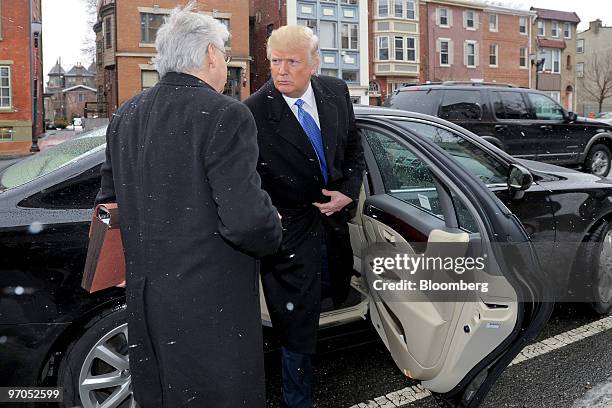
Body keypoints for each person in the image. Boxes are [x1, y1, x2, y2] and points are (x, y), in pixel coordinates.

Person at [94, 4, 282, 407]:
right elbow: (246, 221)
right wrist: (274, 225)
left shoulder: (126, 115)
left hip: (147, 303)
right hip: (208, 307)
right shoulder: (225, 115)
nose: (225, 66)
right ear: (211, 54)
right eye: (226, 56)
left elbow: (108, 205)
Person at [244, 25, 365, 407]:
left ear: (314, 63)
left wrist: (348, 190)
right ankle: (298, 400)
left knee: (332, 297)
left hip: (333, 226)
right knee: (294, 325)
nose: (281, 70)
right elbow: (247, 180)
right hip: (290, 233)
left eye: (292, 61)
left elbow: (353, 147)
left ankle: (336, 355)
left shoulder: (336, 92)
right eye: (275, 61)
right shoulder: (253, 112)